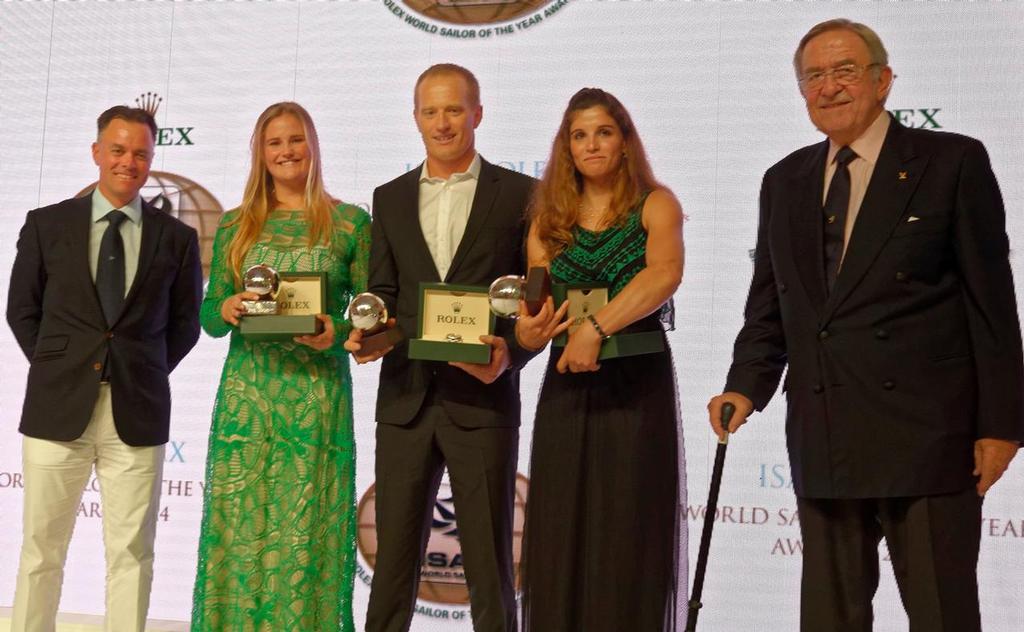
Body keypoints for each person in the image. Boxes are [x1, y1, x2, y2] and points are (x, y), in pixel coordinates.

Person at [708, 18, 1023, 631]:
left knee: (942, 614)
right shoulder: (785, 180)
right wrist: (744, 385)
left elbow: (993, 306)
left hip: (930, 435)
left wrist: (1003, 424)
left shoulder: (950, 161)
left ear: (883, 81)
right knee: (829, 618)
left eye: (844, 70)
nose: (829, 87)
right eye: (814, 76)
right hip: (827, 430)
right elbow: (771, 305)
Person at [344, 64, 535, 632]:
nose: (443, 122)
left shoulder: (521, 194)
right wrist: (367, 333)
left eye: (454, 109)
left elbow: (529, 297)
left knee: (491, 564)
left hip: (482, 401)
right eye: (431, 111)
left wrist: (511, 356)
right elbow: (383, 291)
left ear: (478, 113)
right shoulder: (391, 197)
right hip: (404, 399)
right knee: (393, 564)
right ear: (415, 118)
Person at [6, 105, 203, 631]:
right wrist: (63, 368)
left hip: (136, 414)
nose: (128, 162)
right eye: (118, 150)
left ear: (151, 159)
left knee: (132, 555)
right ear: (97, 152)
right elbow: (22, 311)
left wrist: (139, 372)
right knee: (41, 551)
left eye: (140, 153)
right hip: (56, 410)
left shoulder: (177, 238)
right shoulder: (47, 224)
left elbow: (185, 326)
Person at [190, 102, 370, 631]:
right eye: (275, 143)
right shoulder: (235, 225)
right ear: (260, 154)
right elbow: (210, 316)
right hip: (248, 400)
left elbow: (369, 316)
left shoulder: (351, 224)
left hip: (316, 401)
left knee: (306, 531)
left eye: (296, 140)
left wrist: (336, 335)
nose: (287, 151)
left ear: (312, 144)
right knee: (240, 533)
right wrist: (224, 307)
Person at [515, 87, 686, 631]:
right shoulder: (548, 217)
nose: (592, 144)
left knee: (627, 528)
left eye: (603, 132)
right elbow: (537, 302)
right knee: (562, 528)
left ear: (624, 140)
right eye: (579, 134)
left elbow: (663, 275)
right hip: (567, 387)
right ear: (567, 146)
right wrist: (528, 329)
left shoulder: (656, 204)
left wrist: (596, 327)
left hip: (636, 387)